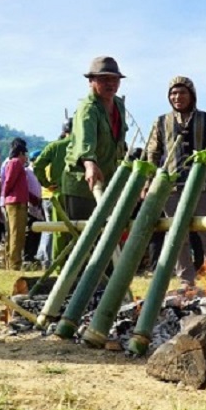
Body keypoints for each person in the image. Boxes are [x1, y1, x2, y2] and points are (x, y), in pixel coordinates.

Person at [145, 76, 206, 294]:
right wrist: (148, 183)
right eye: (173, 93)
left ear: (191, 95)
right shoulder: (161, 121)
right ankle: (186, 280)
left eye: (182, 92)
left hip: (202, 187)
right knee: (177, 236)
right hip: (172, 188)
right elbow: (152, 154)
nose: (177, 97)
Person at [61, 56, 128, 221]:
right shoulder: (88, 108)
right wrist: (89, 163)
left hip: (109, 181)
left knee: (108, 235)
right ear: (91, 81)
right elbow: (85, 140)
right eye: (104, 79)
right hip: (82, 184)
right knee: (87, 238)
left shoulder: (119, 105)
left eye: (114, 80)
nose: (111, 84)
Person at [33, 118, 72, 267]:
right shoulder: (84, 146)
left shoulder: (54, 146)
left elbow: (37, 166)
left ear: (64, 131)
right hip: (81, 195)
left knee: (58, 232)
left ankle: (59, 267)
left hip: (58, 194)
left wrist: (47, 184)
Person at [1, 140, 30, 270]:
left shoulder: (15, 163)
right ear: (20, 153)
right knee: (16, 233)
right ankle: (14, 263)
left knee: (14, 233)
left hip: (16, 201)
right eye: (25, 155)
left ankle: (11, 262)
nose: (26, 158)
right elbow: (8, 181)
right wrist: (4, 195)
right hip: (16, 202)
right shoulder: (15, 163)